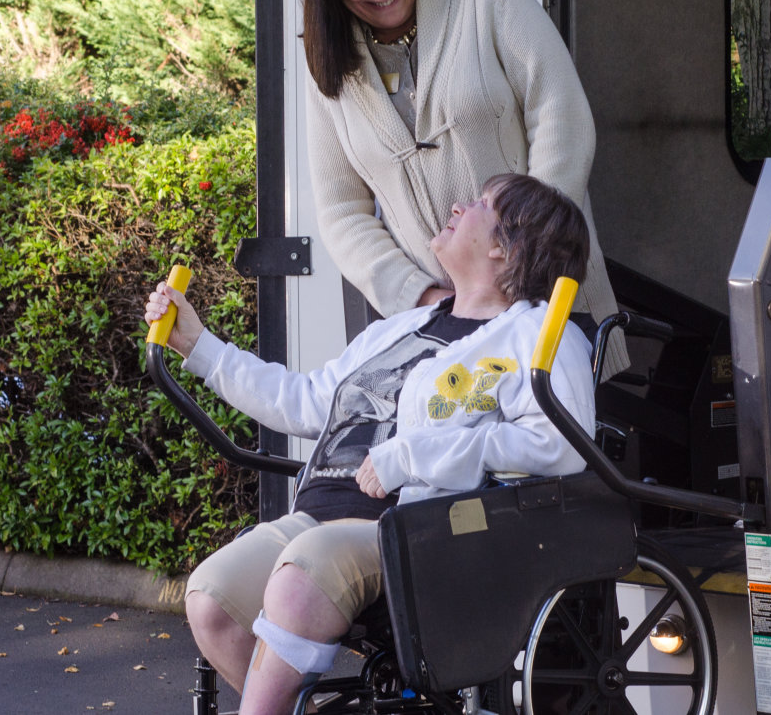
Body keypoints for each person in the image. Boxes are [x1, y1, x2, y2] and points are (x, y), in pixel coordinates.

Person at [144, 174, 596, 715]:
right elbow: (305, 400)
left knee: (302, 574)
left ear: (506, 246)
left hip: (418, 530)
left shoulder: (541, 332)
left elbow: (560, 445)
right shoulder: (397, 329)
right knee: (212, 596)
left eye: (479, 204)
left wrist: (410, 458)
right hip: (316, 518)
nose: (457, 204)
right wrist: (199, 345)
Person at [299, 0, 627, 375]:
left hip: (547, 299)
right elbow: (343, 212)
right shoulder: (326, 62)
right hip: (442, 334)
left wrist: (527, 258)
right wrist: (422, 297)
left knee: (560, 441)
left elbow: (561, 113)